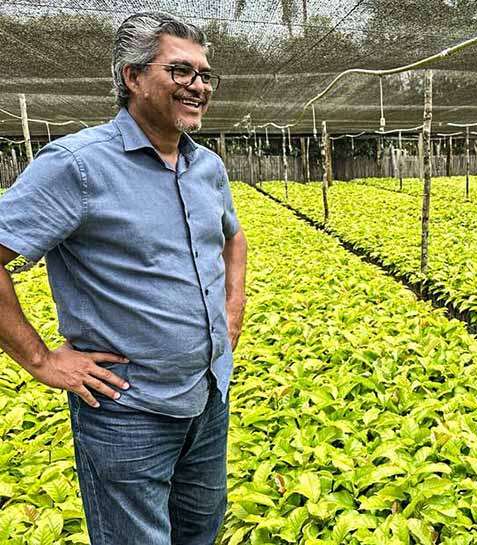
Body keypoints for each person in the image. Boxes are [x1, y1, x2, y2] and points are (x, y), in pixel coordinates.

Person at [0, 11, 247, 545]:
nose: (199, 86)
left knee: (199, 531)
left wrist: (232, 313)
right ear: (132, 77)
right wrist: (41, 361)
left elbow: (232, 237)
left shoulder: (207, 166)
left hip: (208, 396)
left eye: (205, 75)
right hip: (127, 410)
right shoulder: (76, 166)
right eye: (181, 72)